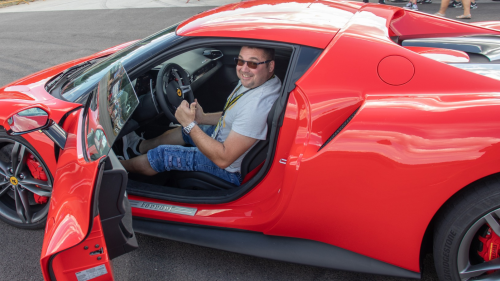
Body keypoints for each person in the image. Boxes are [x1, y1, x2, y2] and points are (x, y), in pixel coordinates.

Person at [119, 46, 282, 186]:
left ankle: (119, 167)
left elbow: (223, 159)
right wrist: (201, 118)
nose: (244, 69)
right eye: (240, 61)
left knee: (163, 155)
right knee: (185, 130)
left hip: (228, 170)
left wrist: (190, 125)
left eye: (253, 63)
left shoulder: (257, 106)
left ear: (270, 65)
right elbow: (232, 116)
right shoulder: (262, 81)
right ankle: (139, 146)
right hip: (226, 141)